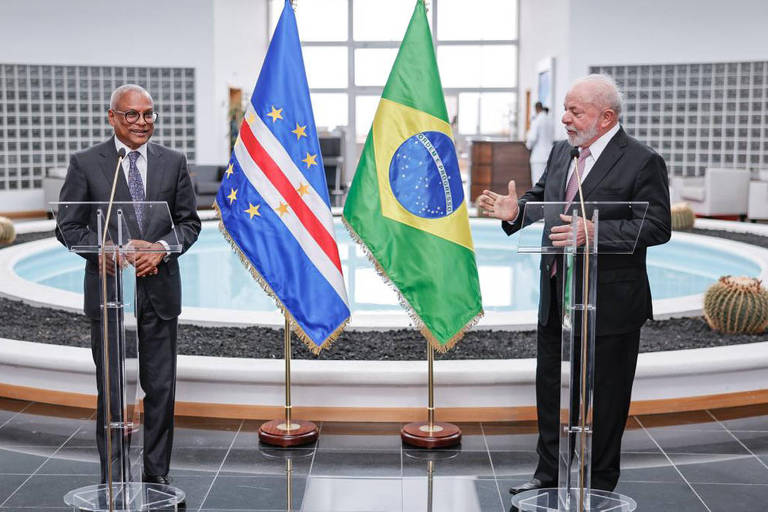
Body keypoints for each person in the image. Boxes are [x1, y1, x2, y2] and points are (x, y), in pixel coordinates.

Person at [477, 74, 671, 493]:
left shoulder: (642, 160)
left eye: (574, 111)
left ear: (605, 118)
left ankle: (598, 485)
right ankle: (547, 475)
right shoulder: (562, 152)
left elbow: (657, 226)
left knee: (606, 398)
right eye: (565, 109)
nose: (563, 118)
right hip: (557, 295)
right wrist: (517, 211)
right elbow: (546, 199)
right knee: (549, 387)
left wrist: (594, 232)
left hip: (610, 303)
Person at [56, 84, 201, 485]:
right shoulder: (86, 163)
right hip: (108, 294)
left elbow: (190, 223)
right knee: (113, 392)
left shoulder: (173, 162)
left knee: (160, 390)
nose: (142, 122)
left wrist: (162, 248)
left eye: (149, 114)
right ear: (113, 117)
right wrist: (98, 249)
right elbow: (66, 227)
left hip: (160, 293)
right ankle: (113, 480)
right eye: (132, 115)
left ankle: (157, 477)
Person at [525, 101, 554, 185]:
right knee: (548, 183)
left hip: (538, 157)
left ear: (536, 109)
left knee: (537, 183)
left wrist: (528, 145)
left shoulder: (537, 120)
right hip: (550, 155)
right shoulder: (550, 120)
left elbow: (532, 138)